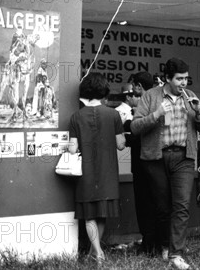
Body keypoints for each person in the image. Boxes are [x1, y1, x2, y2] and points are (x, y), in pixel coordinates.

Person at [131, 58, 200, 270]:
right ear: (167, 78)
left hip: (184, 157)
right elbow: (135, 127)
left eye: (186, 78)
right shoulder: (150, 96)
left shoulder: (191, 96)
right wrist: (156, 115)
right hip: (156, 157)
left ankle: (176, 253)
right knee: (162, 206)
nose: (184, 83)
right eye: (179, 79)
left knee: (182, 205)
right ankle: (165, 245)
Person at [68, 72, 126, 264]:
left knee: (89, 215)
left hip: (87, 172)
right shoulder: (114, 114)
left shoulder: (76, 117)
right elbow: (120, 144)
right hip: (108, 171)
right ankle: (98, 251)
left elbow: (73, 148)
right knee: (102, 213)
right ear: (104, 91)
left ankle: (96, 252)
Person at [124, 72, 160, 255]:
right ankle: (156, 243)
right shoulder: (160, 99)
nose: (132, 92)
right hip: (158, 161)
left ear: (138, 86)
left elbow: (137, 132)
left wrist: (130, 123)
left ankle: (149, 244)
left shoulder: (145, 103)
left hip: (143, 160)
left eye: (133, 88)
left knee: (144, 204)